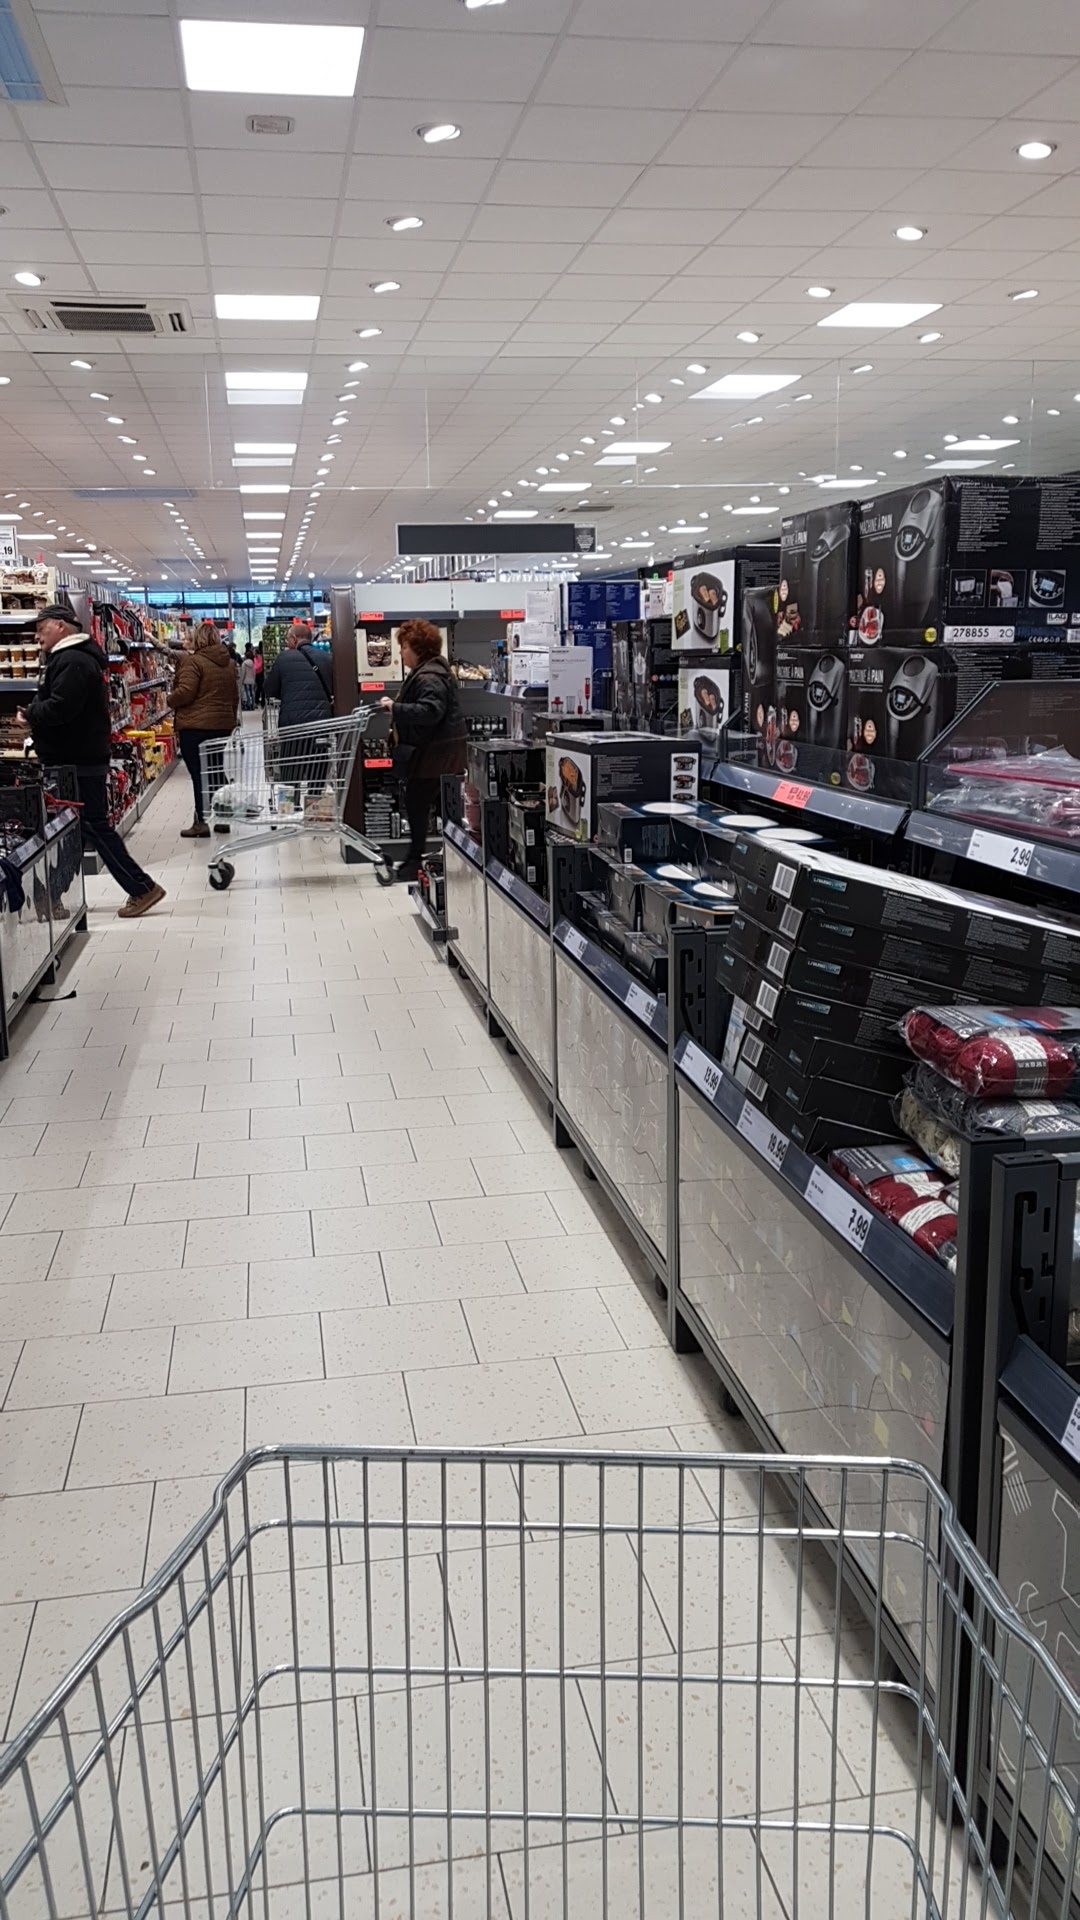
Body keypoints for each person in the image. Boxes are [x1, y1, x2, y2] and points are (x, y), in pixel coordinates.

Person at [24, 604, 166, 918]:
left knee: (91, 826)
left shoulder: (73, 661)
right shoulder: (67, 658)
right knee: (76, 828)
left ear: (61, 626)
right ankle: (54, 896)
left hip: (77, 760)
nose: (37, 636)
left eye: (42, 628)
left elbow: (61, 708)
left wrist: (31, 714)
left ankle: (142, 887)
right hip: (75, 758)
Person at [377, 619, 466, 885]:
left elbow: (430, 712)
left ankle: (416, 861)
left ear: (418, 648)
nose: (401, 652)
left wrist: (395, 708)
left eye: (404, 647)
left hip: (436, 756)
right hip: (436, 755)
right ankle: (431, 859)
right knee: (429, 805)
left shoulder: (429, 676)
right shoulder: (429, 671)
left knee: (418, 803)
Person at [168, 620, 240, 840]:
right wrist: (230, 718)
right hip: (222, 725)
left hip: (195, 727)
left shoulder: (193, 662)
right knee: (217, 771)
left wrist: (170, 699)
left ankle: (201, 822)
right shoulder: (229, 663)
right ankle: (222, 818)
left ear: (198, 639)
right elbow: (234, 695)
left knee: (200, 774)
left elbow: (186, 692)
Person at [263, 623, 333, 727]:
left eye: (287, 639)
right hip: (321, 721)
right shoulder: (327, 658)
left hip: (292, 721)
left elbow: (269, 689)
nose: (287, 643)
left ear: (294, 639)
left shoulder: (283, 658)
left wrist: (287, 694)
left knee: (294, 738)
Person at [240, 643, 257, 711]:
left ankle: (248, 704)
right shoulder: (252, 664)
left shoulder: (244, 664)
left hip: (246, 680)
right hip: (251, 680)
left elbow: (243, 673)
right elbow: (254, 672)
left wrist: (241, 680)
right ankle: (253, 704)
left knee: (247, 693)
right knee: (252, 692)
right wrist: (254, 679)